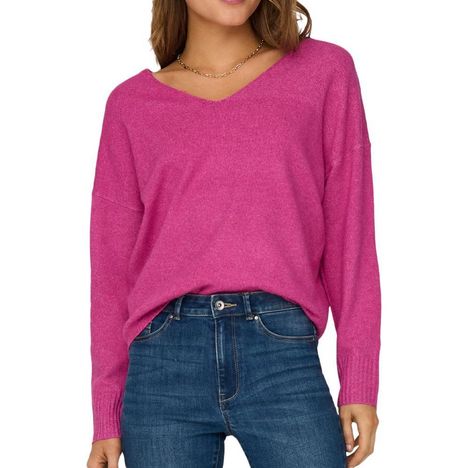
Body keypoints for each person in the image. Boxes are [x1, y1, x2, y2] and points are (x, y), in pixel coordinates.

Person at [86, 1, 381, 467]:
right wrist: (107, 413)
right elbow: (110, 268)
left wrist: (359, 380)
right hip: (163, 363)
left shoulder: (324, 72)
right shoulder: (130, 105)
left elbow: (352, 235)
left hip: (283, 354)